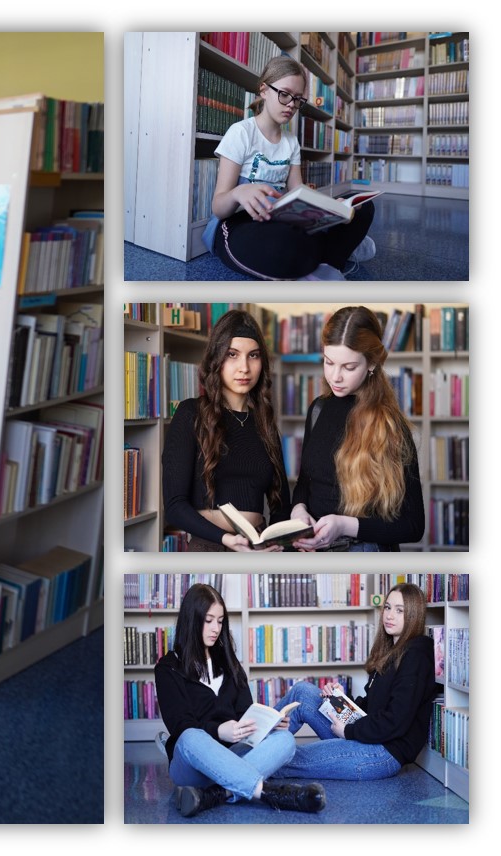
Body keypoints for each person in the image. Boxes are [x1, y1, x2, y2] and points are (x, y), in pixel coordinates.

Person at [155, 582, 326, 817]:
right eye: (208, 620)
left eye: (220, 621)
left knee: (285, 739)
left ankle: (215, 794)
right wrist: (218, 731)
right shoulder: (168, 668)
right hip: (192, 764)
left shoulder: (228, 662)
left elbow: (245, 713)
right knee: (190, 737)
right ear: (191, 620)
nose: (216, 628)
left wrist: (268, 725)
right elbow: (180, 725)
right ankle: (269, 793)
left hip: (233, 756)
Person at [208, 56, 377, 280]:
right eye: (284, 94)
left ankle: (326, 260)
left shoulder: (291, 142)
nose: (291, 104)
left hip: (280, 220)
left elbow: (299, 193)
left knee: (363, 207)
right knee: (287, 247)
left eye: (297, 99)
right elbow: (218, 207)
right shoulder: (241, 133)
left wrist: (330, 208)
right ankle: (335, 250)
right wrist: (238, 192)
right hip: (240, 223)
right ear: (264, 90)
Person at [287, 306, 424, 552]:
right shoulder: (318, 409)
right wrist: (299, 509)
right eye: (329, 362)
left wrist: (345, 525)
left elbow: (413, 526)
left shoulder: (391, 427)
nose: (335, 377)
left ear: (372, 363)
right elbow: (306, 481)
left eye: (349, 367)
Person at [274, 584, 439, 781]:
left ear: (414, 615)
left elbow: (396, 720)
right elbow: (372, 706)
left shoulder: (417, 655)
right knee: (302, 692)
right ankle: (255, 742)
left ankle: (246, 761)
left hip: (383, 753)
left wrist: (348, 731)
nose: (389, 615)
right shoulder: (391, 651)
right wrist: (340, 699)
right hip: (365, 735)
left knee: (282, 758)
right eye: (387, 607)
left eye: (399, 610)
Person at [160, 310, 287, 552]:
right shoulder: (190, 413)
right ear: (216, 358)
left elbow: (281, 505)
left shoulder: (264, 423)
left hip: (258, 549)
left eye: (253, 356)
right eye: (232, 354)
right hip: (210, 547)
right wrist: (227, 539)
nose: (244, 368)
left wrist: (276, 544)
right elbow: (175, 506)